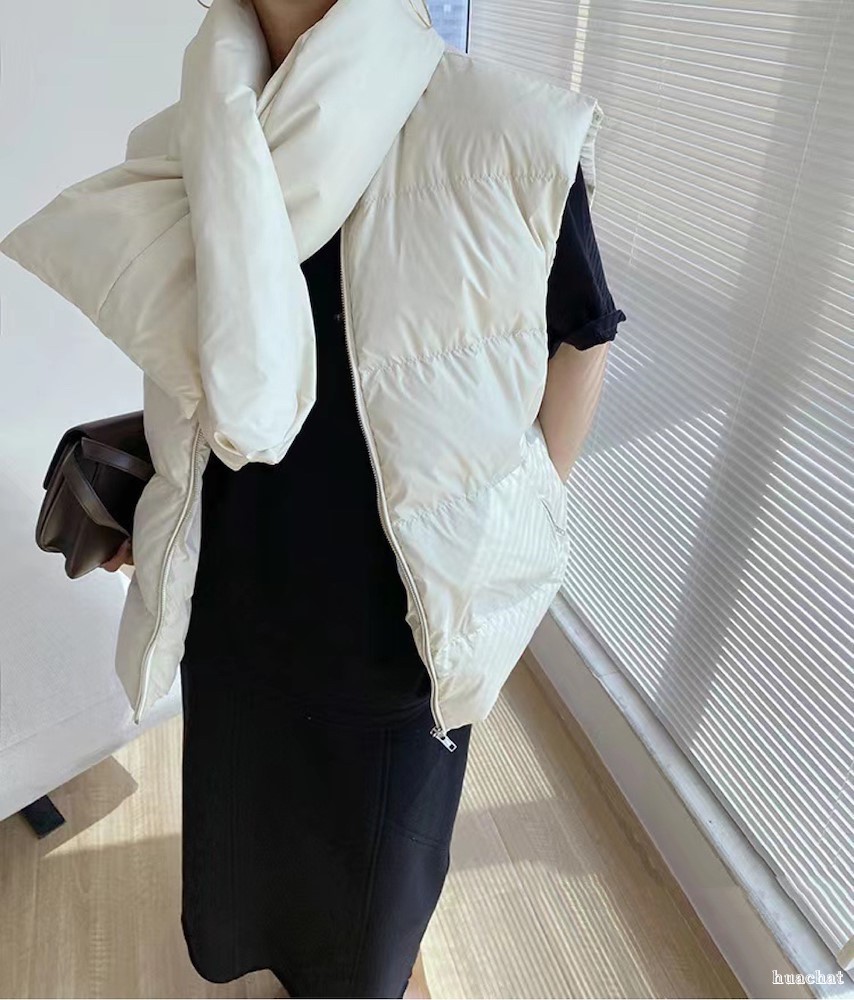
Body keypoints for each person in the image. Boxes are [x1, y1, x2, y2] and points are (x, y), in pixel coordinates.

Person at [6, 0, 625, 995]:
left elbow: (582, 335)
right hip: (235, 613)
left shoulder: (510, 130)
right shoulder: (187, 136)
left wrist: (520, 513)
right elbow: (197, 364)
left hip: (393, 640)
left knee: (370, 910)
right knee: (250, 867)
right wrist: (160, 500)